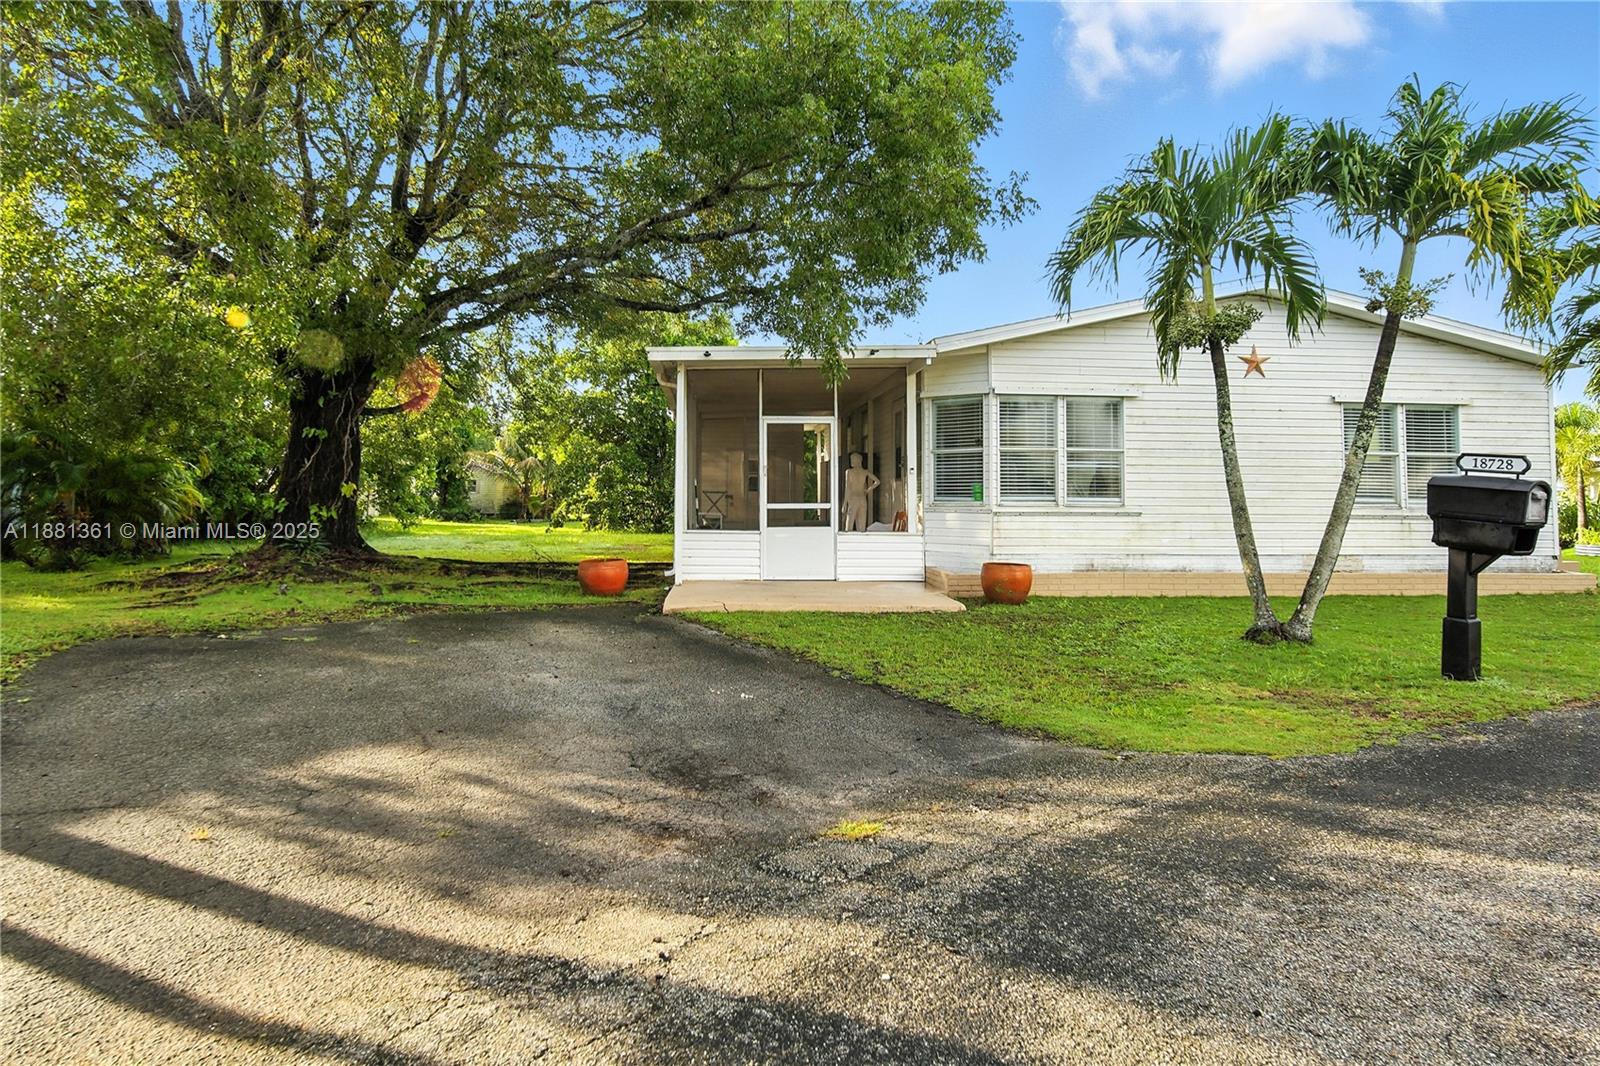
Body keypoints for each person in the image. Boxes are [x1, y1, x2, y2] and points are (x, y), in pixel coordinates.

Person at [842, 452, 881, 532]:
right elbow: (877, 481)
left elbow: (847, 488)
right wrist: (868, 490)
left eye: (852, 459)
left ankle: (848, 543)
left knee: (849, 526)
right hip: (862, 499)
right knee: (861, 527)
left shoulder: (849, 472)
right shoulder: (865, 472)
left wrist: (845, 503)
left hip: (853, 499)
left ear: (857, 460)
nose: (851, 461)